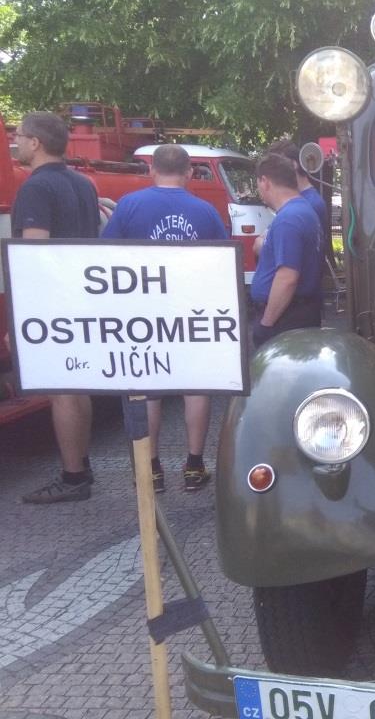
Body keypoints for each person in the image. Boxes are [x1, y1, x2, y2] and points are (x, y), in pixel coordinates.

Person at [101, 144, 228, 492]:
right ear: (189, 172)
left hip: (143, 313)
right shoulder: (206, 211)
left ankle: (152, 469)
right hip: (191, 311)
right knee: (196, 388)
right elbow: (222, 263)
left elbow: (106, 255)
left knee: (148, 390)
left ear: (151, 170)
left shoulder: (128, 206)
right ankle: (194, 466)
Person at [11, 112, 99, 504]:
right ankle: (82, 464)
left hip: (51, 304)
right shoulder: (84, 184)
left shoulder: (36, 188)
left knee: (62, 391)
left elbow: (34, 254)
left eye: (19, 135)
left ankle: (73, 477)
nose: (14, 142)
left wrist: (22, 316)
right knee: (78, 386)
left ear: (36, 142)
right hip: (81, 297)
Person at [250, 153, 323, 348]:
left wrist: (266, 323)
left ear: (265, 181)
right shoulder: (301, 211)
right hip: (297, 313)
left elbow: (287, 277)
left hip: (285, 320)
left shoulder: (288, 219)